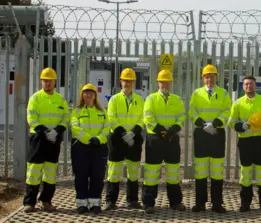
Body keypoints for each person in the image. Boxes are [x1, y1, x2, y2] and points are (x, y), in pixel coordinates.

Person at [23, 67, 69, 213]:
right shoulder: (35, 98)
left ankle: (46, 201)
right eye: (45, 81)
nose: (47, 83)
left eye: (50, 81)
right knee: (34, 171)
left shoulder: (60, 99)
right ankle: (29, 203)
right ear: (41, 82)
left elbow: (66, 117)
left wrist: (57, 130)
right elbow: (31, 117)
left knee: (50, 171)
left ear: (55, 82)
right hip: (38, 139)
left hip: (53, 140)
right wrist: (44, 131)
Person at [188, 64, 231, 213]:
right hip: (201, 134)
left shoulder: (224, 93)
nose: (209, 79)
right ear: (202, 78)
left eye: (212, 76)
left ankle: (217, 203)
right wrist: (201, 123)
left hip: (217, 134)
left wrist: (217, 122)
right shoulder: (196, 93)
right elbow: (192, 110)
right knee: (200, 171)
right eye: (207, 76)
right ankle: (200, 203)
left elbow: (227, 110)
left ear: (216, 77)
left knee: (217, 171)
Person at [228, 75, 261, 212]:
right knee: (246, 174)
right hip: (245, 141)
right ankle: (245, 203)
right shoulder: (237, 103)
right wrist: (241, 126)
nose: (249, 86)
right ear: (243, 87)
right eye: (246, 84)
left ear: (255, 86)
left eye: (251, 84)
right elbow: (231, 121)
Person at [142, 70, 186, 214]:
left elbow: (182, 117)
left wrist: (173, 130)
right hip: (155, 139)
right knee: (152, 173)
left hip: (172, 139)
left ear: (171, 83)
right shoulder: (150, 99)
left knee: (173, 171)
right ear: (158, 83)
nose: (164, 84)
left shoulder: (177, 100)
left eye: (167, 82)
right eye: (162, 81)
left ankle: (175, 202)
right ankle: (148, 203)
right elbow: (148, 118)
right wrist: (163, 132)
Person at [105, 68, 145, 210]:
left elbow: (142, 119)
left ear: (134, 82)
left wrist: (133, 133)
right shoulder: (114, 100)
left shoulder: (140, 100)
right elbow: (111, 118)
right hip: (117, 139)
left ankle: (132, 201)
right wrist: (124, 134)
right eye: (125, 80)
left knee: (133, 171)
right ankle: (110, 201)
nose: (127, 83)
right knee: (114, 171)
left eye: (130, 80)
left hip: (133, 140)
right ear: (120, 81)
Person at [70, 83, 109, 214]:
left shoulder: (102, 111)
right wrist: (88, 139)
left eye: (91, 93)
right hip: (81, 148)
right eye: (86, 93)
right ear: (82, 95)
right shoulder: (77, 111)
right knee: (81, 176)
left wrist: (99, 139)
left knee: (97, 176)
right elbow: (75, 127)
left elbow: (107, 127)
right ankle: (81, 204)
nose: (88, 95)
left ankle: (95, 204)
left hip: (98, 147)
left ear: (95, 96)